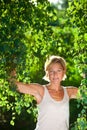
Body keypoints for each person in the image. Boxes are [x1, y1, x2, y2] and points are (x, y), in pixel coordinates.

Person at [12, 55, 78, 130]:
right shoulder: (41, 90)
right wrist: (13, 62)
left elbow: (84, 93)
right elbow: (15, 85)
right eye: (51, 71)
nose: (55, 74)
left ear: (63, 72)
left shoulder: (69, 91)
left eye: (58, 71)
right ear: (47, 73)